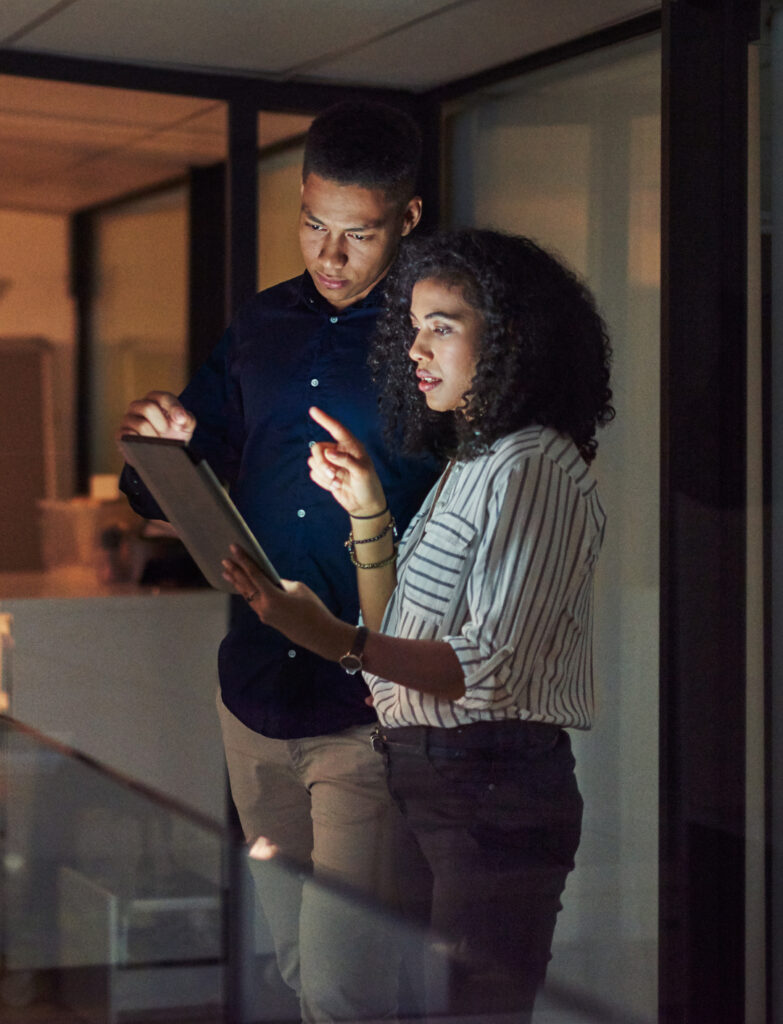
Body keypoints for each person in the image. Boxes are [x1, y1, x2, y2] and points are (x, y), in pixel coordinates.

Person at [222, 227, 615, 1023]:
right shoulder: (475, 459)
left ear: (510, 337)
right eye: (413, 326)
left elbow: (484, 667)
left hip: (488, 779)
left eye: (443, 324)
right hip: (433, 771)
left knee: (464, 1011)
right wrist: (367, 507)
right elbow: (395, 628)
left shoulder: (529, 461)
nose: (415, 349)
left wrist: (327, 636)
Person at [116, 101, 440, 1023]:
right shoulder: (258, 325)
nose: (328, 258)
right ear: (297, 199)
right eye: (312, 225)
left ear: (406, 221)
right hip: (251, 701)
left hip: (363, 712)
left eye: (358, 235)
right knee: (298, 971)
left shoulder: (436, 339)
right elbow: (171, 480)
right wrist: (159, 446)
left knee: (347, 988)